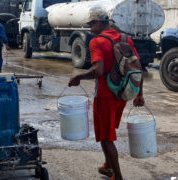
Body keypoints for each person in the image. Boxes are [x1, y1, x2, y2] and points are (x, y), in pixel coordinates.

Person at [68, 10, 145, 180]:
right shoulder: (125, 39)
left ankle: (117, 176)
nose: (90, 28)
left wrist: (78, 77)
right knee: (108, 131)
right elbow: (138, 68)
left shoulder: (97, 41)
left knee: (105, 137)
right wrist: (139, 94)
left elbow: (98, 70)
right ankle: (107, 165)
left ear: (98, 23)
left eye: (91, 24)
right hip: (123, 95)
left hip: (104, 95)